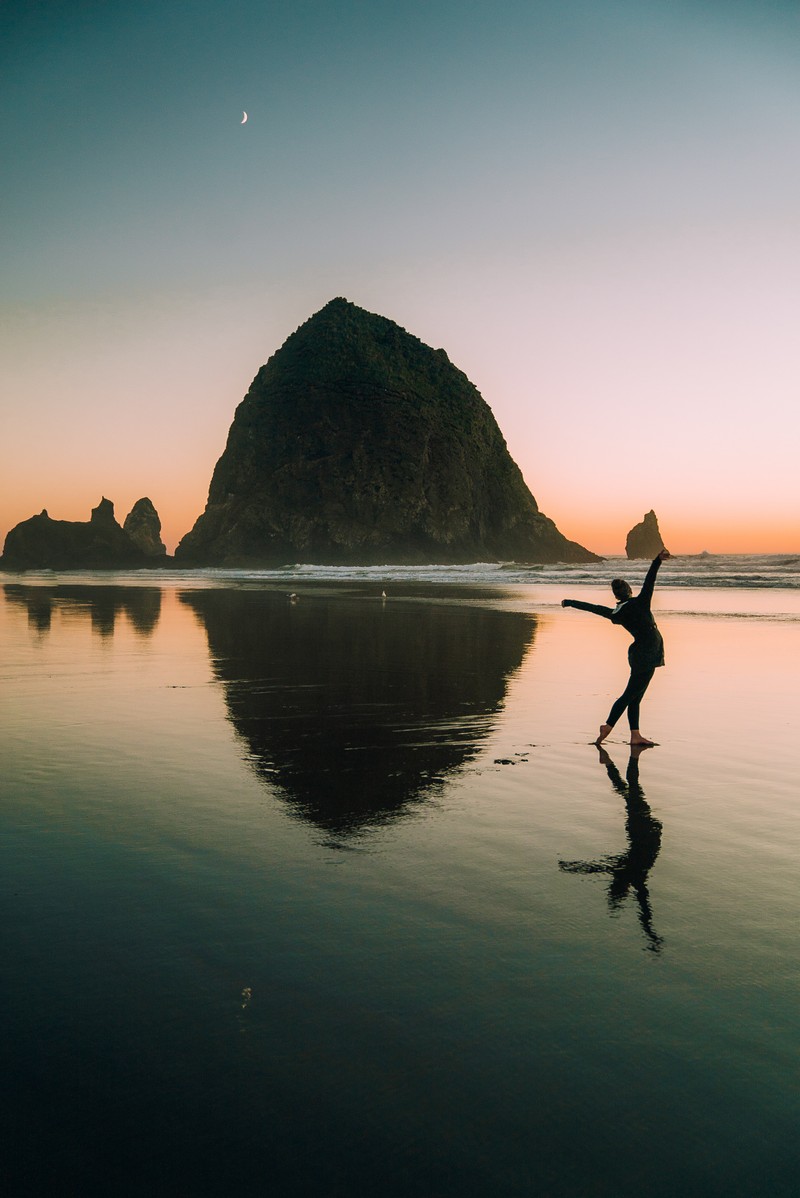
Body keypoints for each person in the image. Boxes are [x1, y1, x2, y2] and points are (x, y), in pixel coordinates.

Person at [561, 548, 671, 746]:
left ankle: (635, 735)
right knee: (630, 695)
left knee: (635, 697)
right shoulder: (641, 602)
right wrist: (657, 560)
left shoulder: (616, 612)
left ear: (617, 595)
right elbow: (650, 580)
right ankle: (608, 725)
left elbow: (593, 608)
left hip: (641, 653)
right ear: (629, 590)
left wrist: (570, 602)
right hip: (647, 653)